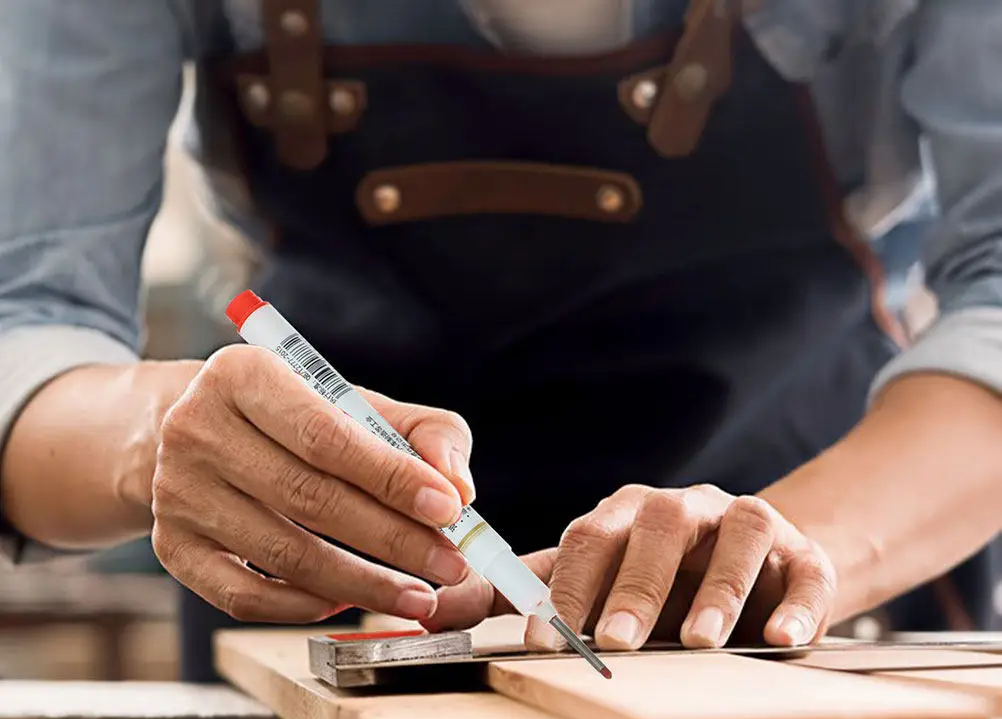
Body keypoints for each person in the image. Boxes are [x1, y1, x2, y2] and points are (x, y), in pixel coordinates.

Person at [2, 0, 1002, 682]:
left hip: (804, 593)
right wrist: (151, 435)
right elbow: (24, 320)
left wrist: (792, 550)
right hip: (316, 625)